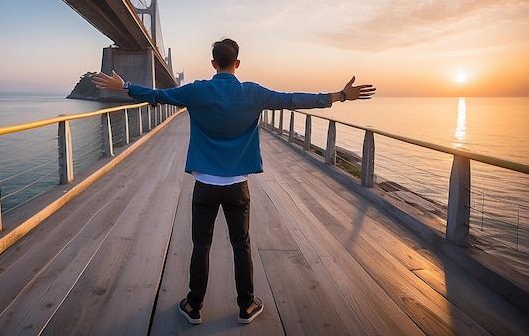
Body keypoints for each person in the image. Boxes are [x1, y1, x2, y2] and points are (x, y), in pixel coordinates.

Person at [92, 38, 375, 325]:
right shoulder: (253, 93)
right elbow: (291, 99)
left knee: (201, 245)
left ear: (213, 64)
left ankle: (194, 305)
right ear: (237, 64)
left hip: (204, 184)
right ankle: (246, 305)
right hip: (238, 185)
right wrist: (339, 95)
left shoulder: (198, 90)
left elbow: (157, 95)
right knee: (241, 244)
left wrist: (125, 87)